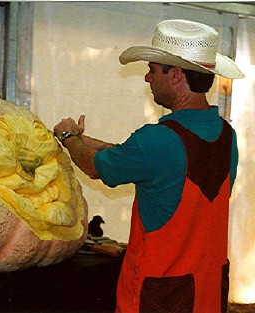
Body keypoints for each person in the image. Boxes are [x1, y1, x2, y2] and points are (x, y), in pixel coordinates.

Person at [53, 19, 244, 313]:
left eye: (152, 70)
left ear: (176, 75)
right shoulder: (226, 135)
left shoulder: (157, 140)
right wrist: (87, 140)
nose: (146, 78)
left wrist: (67, 136)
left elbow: (94, 167)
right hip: (207, 295)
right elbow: (149, 164)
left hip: (159, 297)